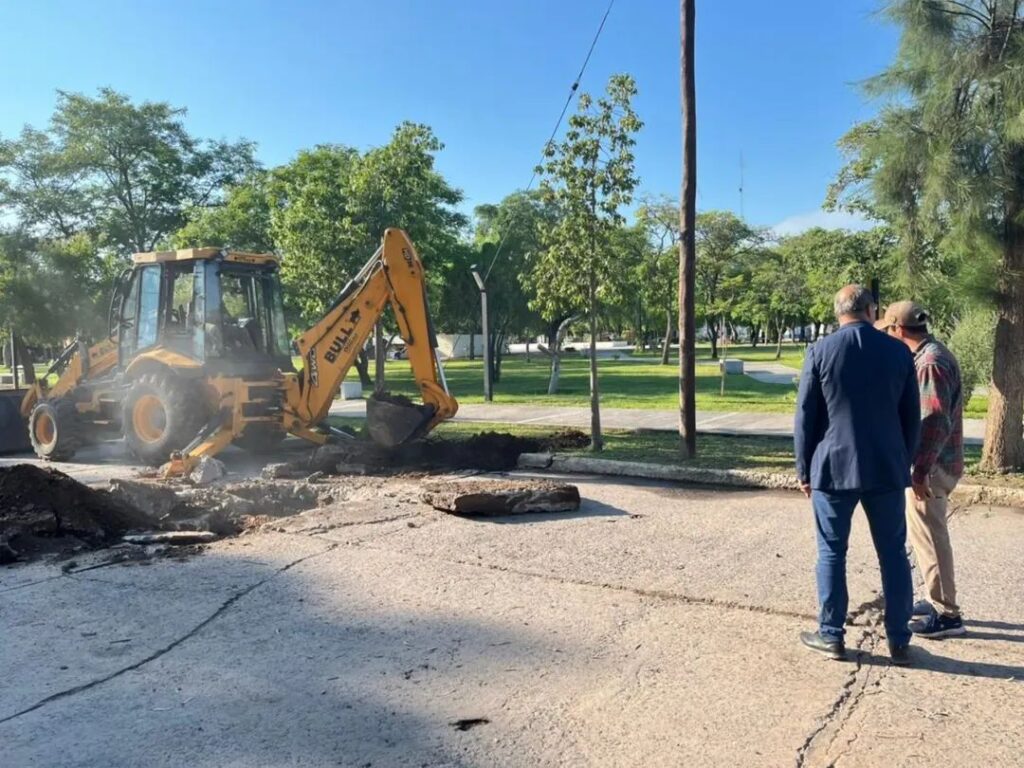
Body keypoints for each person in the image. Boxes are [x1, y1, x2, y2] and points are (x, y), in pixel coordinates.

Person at [795, 285, 921, 665]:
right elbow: (911, 417)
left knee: (831, 552)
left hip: (832, 468)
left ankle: (831, 634)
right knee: (893, 553)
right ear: (871, 310)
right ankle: (899, 640)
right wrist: (903, 460)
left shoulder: (820, 351)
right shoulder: (898, 352)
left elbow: (806, 416)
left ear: (838, 313)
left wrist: (804, 469)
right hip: (885, 467)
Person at [879, 301, 966, 639]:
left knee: (931, 537)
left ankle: (947, 614)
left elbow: (933, 422)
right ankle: (934, 598)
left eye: (888, 330)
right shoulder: (931, 354)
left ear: (898, 329)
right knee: (925, 536)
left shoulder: (929, 363)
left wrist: (920, 472)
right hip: (935, 464)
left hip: (932, 468)